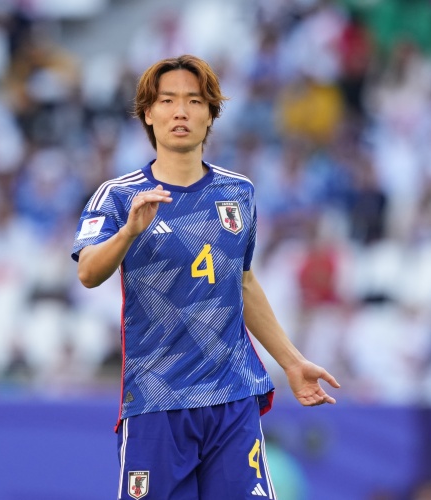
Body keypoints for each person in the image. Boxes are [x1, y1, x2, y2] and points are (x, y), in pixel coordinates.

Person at [71, 54, 340, 500]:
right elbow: (87, 272)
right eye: (168, 101)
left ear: (211, 114)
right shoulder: (119, 196)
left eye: (194, 101)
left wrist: (292, 362)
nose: (181, 111)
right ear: (148, 114)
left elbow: (244, 282)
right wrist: (128, 233)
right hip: (157, 400)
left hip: (231, 395)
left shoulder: (238, 192)